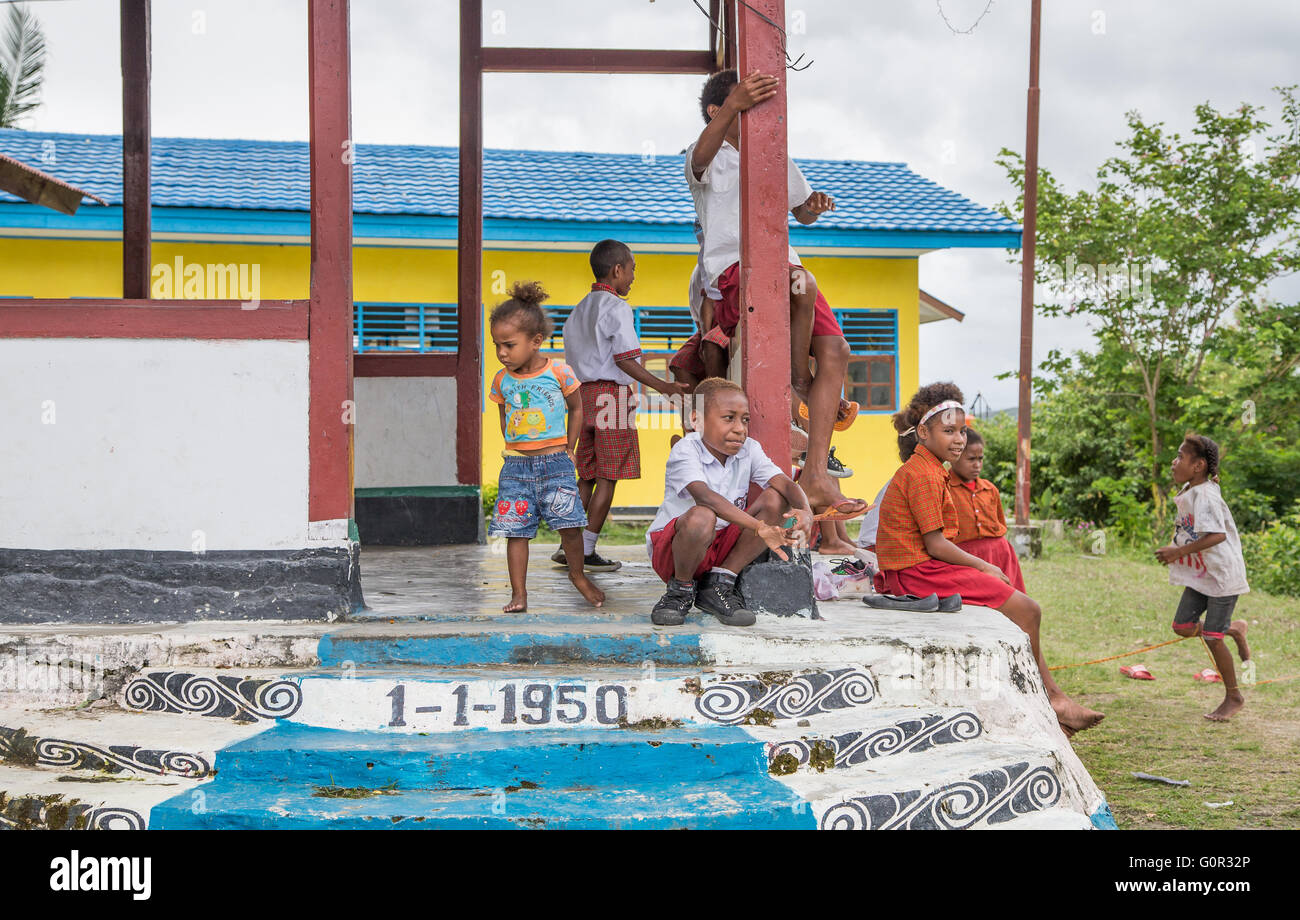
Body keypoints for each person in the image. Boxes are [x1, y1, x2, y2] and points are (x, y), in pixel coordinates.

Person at [873, 382, 1104, 738]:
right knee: (1029, 610)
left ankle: (1053, 700)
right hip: (915, 574)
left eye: (962, 430)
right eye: (948, 431)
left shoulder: (933, 470)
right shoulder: (921, 475)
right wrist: (981, 565)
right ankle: (1052, 699)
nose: (959, 439)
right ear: (923, 432)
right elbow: (935, 544)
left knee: (1021, 608)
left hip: (920, 568)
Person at [685, 68, 866, 521]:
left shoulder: (773, 155)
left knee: (837, 348)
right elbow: (699, 161)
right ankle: (796, 381)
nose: (752, 112)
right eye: (741, 103)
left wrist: (814, 206)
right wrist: (734, 105)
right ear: (716, 110)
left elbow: (800, 211)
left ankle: (818, 474)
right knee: (799, 284)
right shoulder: (707, 151)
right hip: (736, 269)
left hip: (787, 262)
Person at [557, 239, 689, 573]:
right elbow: (626, 360)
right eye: (631, 270)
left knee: (585, 475)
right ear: (617, 270)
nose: (632, 277)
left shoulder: (577, 311)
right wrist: (665, 387)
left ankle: (566, 547)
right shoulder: (616, 308)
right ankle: (585, 550)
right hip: (610, 397)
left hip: (579, 397)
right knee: (607, 477)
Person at [646, 377, 814, 627]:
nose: (740, 428)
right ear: (697, 421)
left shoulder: (749, 449)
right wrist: (760, 528)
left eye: (745, 419)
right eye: (729, 418)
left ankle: (720, 583)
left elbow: (784, 482)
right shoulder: (686, 449)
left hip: (722, 544)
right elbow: (705, 497)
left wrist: (805, 510)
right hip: (677, 550)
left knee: (776, 500)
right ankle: (679, 591)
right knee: (703, 515)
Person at [487, 281, 606, 613]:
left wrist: (570, 447)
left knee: (570, 526)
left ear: (536, 341)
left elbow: (577, 408)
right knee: (516, 531)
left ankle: (578, 576)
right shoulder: (501, 379)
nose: (502, 353)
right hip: (515, 468)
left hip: (556, 463)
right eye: (497, 345)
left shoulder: (559, 372)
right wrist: (513, 446)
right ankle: (519, 594)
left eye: (509, 345)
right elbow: (503, 413)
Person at [1155, 433, 1252, 722]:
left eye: (1180, 457)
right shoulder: (1190, 489)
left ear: (1198, 466)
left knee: (1211, 638)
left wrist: (1177, 552)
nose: (1174, 462)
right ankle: (1233, 629)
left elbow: (1217, 535)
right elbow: (1191, 530)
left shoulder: (1206, 494)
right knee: (1182, 626)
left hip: (1222, 575)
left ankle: (1233, 696)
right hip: (1202, 575)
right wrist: (1177, 548)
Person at [948, 427, 1026, 593]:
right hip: (966, 559)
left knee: (1010, 601)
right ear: (954, 457)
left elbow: (999, 525)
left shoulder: (990, 489)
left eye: (980, 459)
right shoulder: (944, 489)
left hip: (999, 555)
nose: (977, 465)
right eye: (971, 459)